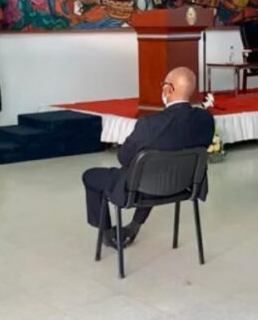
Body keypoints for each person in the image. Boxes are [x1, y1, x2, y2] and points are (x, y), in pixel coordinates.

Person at [82, 67, 215, 249]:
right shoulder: (206, 119)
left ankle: (107, 234)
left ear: (168, 89)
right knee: (155, 170)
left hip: (145, 186)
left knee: (91, 176)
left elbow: (124, 158)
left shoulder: (149, 124)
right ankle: (133, 227)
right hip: (185, 185)